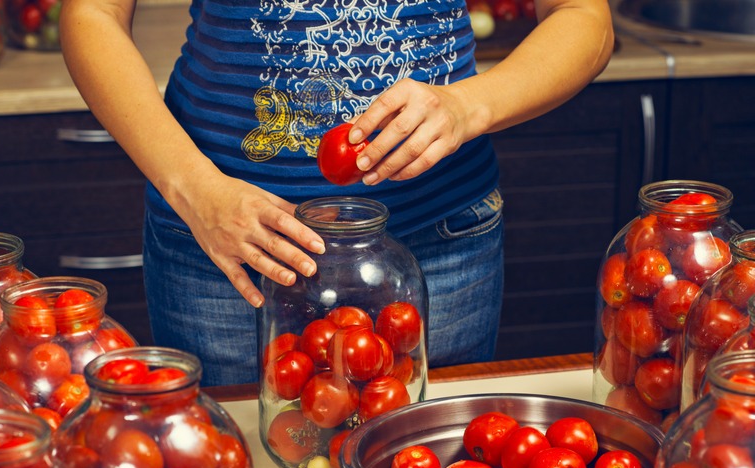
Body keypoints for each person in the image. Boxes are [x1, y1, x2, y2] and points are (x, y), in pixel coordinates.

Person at [59, 1, 614, 386]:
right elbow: (93, 13)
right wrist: (194, 189)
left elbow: (583, 16)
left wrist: (470, 105)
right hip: (224, 249)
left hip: (440, 242)